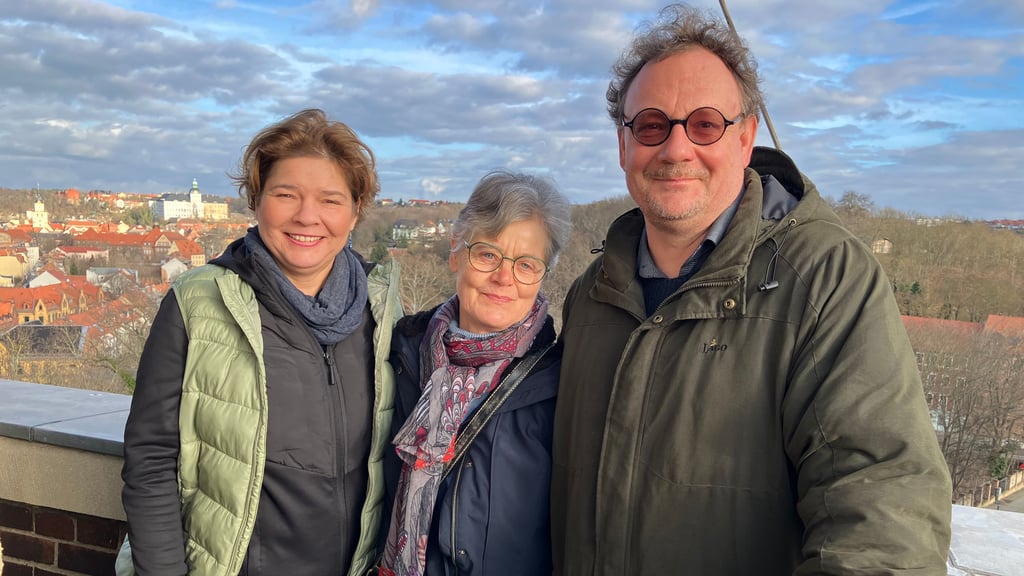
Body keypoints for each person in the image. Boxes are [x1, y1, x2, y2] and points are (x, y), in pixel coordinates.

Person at [550, 4, 953, 575]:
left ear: (745, 139)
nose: (675, 148)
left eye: (706, 124)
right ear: (624, 145)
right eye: (651, 125)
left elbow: (882, 506)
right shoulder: (592, 295)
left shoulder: (824, 278)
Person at [118, 109, 403, 576]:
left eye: (330, 200)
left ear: (355, 212)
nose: (307, 216)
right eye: (285, 194)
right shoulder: (198, 302)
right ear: (256, 201)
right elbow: (151, 459)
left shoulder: (382, 309)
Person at [379, 170, 571, 576]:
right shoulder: (397, 354)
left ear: (542, 276)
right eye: (487, 254)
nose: (504, 277)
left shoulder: (562, 383)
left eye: (526, 264)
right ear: (455, 253)